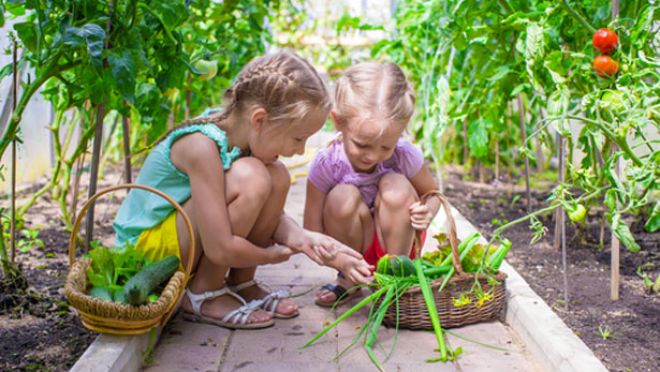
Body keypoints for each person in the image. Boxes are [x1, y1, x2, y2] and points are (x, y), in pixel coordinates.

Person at [113, 52, 372, 329]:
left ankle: (241, 282)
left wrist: (307, 240)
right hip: (146, 255)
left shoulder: (237, 139)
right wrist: (271, 256)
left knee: (278, 176)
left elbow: (273, 219)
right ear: (259, 120)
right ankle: (204, 293)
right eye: (298, 138)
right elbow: (220, 246)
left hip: (179, 242)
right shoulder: (200, 147)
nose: (299, 150)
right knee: (255, 176)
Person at [304, 62, 441, 307]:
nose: (372, 156)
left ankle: (394, 278)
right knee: (341, 196)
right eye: (362, 144)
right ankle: (349, 280)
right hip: (351, 251)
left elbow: (433, 194)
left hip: (396, 244)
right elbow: (311, 229)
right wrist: (338, 260)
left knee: (396, 184)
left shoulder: (404, 155)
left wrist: (427, 212)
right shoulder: (328, 163)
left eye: (385, 147)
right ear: (338, 121)